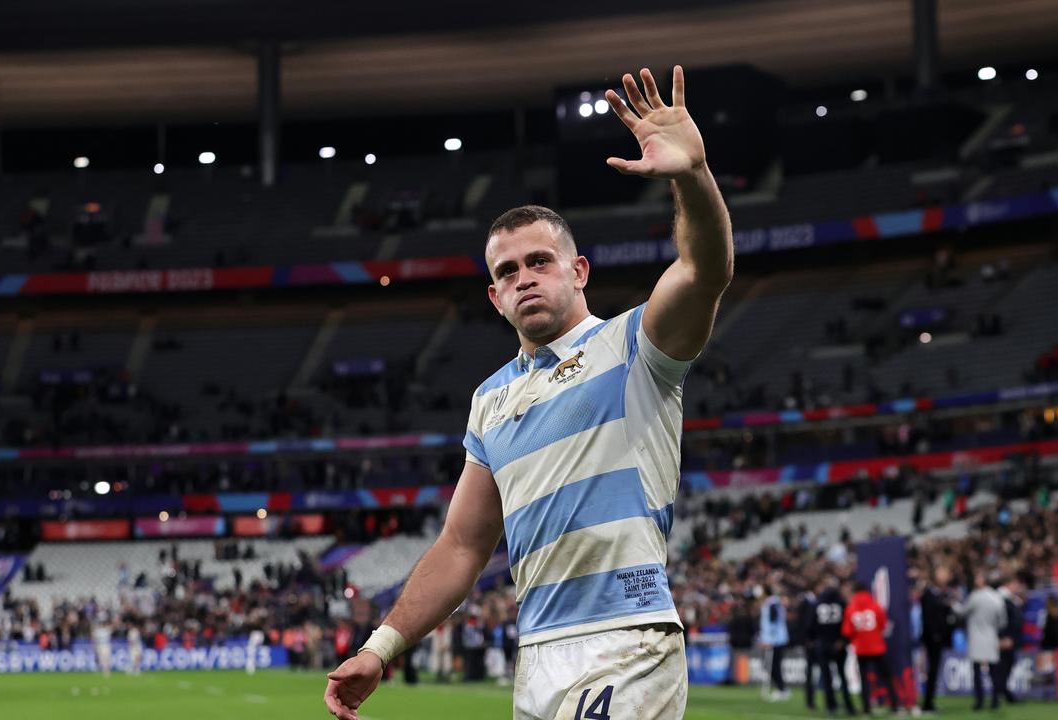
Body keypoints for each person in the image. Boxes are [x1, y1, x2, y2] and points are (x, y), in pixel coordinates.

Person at [324, 64, 733, 720]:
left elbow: (703, 269)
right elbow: (462, 545)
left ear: (578, 271)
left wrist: (691, 175)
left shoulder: (634, 347)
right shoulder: (489, 400)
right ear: (494, 296)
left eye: (540, 261)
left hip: (624, 642)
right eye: (507, 271)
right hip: (538, 654)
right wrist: (380, 647)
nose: (524, 278)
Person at [842, 580, 899, 715]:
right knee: (887, 677)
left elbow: (847, 631)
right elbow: (883, 624)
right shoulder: (875, 605)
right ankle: (895, 705)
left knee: (864, 679)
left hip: (861, 648)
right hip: (877, 647)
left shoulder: (851, 607)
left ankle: (867, 708)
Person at [957, 573, 1007, 711]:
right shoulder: (997, 598)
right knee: (993, 671)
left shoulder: (975, 596)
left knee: (977, 672)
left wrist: (953, 604)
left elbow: (962, 612)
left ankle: (979, 701)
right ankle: (996, 700)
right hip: (992, 637)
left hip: (976, 638)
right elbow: (1002, 621)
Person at [811, 578, 856, 715]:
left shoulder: (817, 605)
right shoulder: (842, 604)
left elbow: (811, 626)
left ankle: (831, 707)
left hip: (823, 645)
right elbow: (848, 624)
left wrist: (815, 640)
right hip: (839, 645)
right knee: (842, 676)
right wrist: (843, 640)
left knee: (827, 678)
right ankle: (849, 707)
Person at [919, 566, 955, 713]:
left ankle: (930, 702)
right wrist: (935, 635)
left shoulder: (942, 594)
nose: (946, 575)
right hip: (933, 639)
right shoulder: (929, 594)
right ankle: (927, 704)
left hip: (939, 638)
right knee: (932, 671)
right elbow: (929, 618)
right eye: (943, 573)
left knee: (934, 671)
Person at [994, 573, 1025, 705]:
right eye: (1015, 584)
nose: (1017, 586)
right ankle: (1002, 693)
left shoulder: (1011, 599)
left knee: (1007, 665)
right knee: (1003, 666)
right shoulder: (1001, 599)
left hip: (1012, 638)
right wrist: (1003, 637)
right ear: (1008, 584)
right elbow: (1001, 620)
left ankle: (1003, 692)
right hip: (1006, 639)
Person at [758, 587, 791, 701]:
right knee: (772, 666)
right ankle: (781, 688)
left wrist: (769, 640)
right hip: (776, 640)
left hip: (775, 641)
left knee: (772, 666)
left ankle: (782, 690)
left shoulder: (772, 604)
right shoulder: (774, 603)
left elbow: (773, 624)